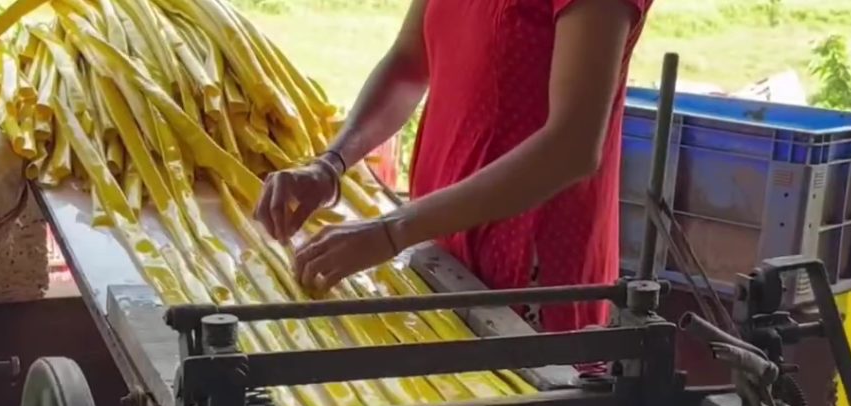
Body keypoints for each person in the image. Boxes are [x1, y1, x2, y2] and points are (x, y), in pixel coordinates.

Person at [255, 0, 652, 332]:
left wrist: (391, 230)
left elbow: (572, 145)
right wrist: (330, 164)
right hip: (439, 239)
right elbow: (409, 64)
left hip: (531, 267)